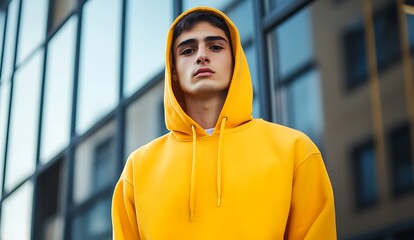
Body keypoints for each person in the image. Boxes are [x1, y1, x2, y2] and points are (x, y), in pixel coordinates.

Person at [112, 6, 336, 240]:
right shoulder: (138, 169)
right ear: (174, 69)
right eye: (187, 50)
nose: (201, 55)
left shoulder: (295, 151)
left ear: (235, 60)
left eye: (215, 46)